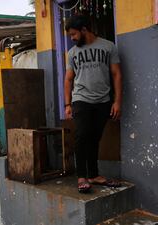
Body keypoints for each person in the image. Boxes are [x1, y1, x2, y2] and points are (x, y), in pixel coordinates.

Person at [64, 15, 123, 193]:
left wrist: (117, 102)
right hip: (80, 99)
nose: (72, 38)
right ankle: (82, 176)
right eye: (70, 36)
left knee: (95, 138)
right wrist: (67, 104)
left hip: (103, 101)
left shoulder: (108, 46)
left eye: (74, 34)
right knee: (82, 136)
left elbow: (116, 75)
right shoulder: (72, 53)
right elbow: (68, 79)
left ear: (84, 29)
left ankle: (94, 175)